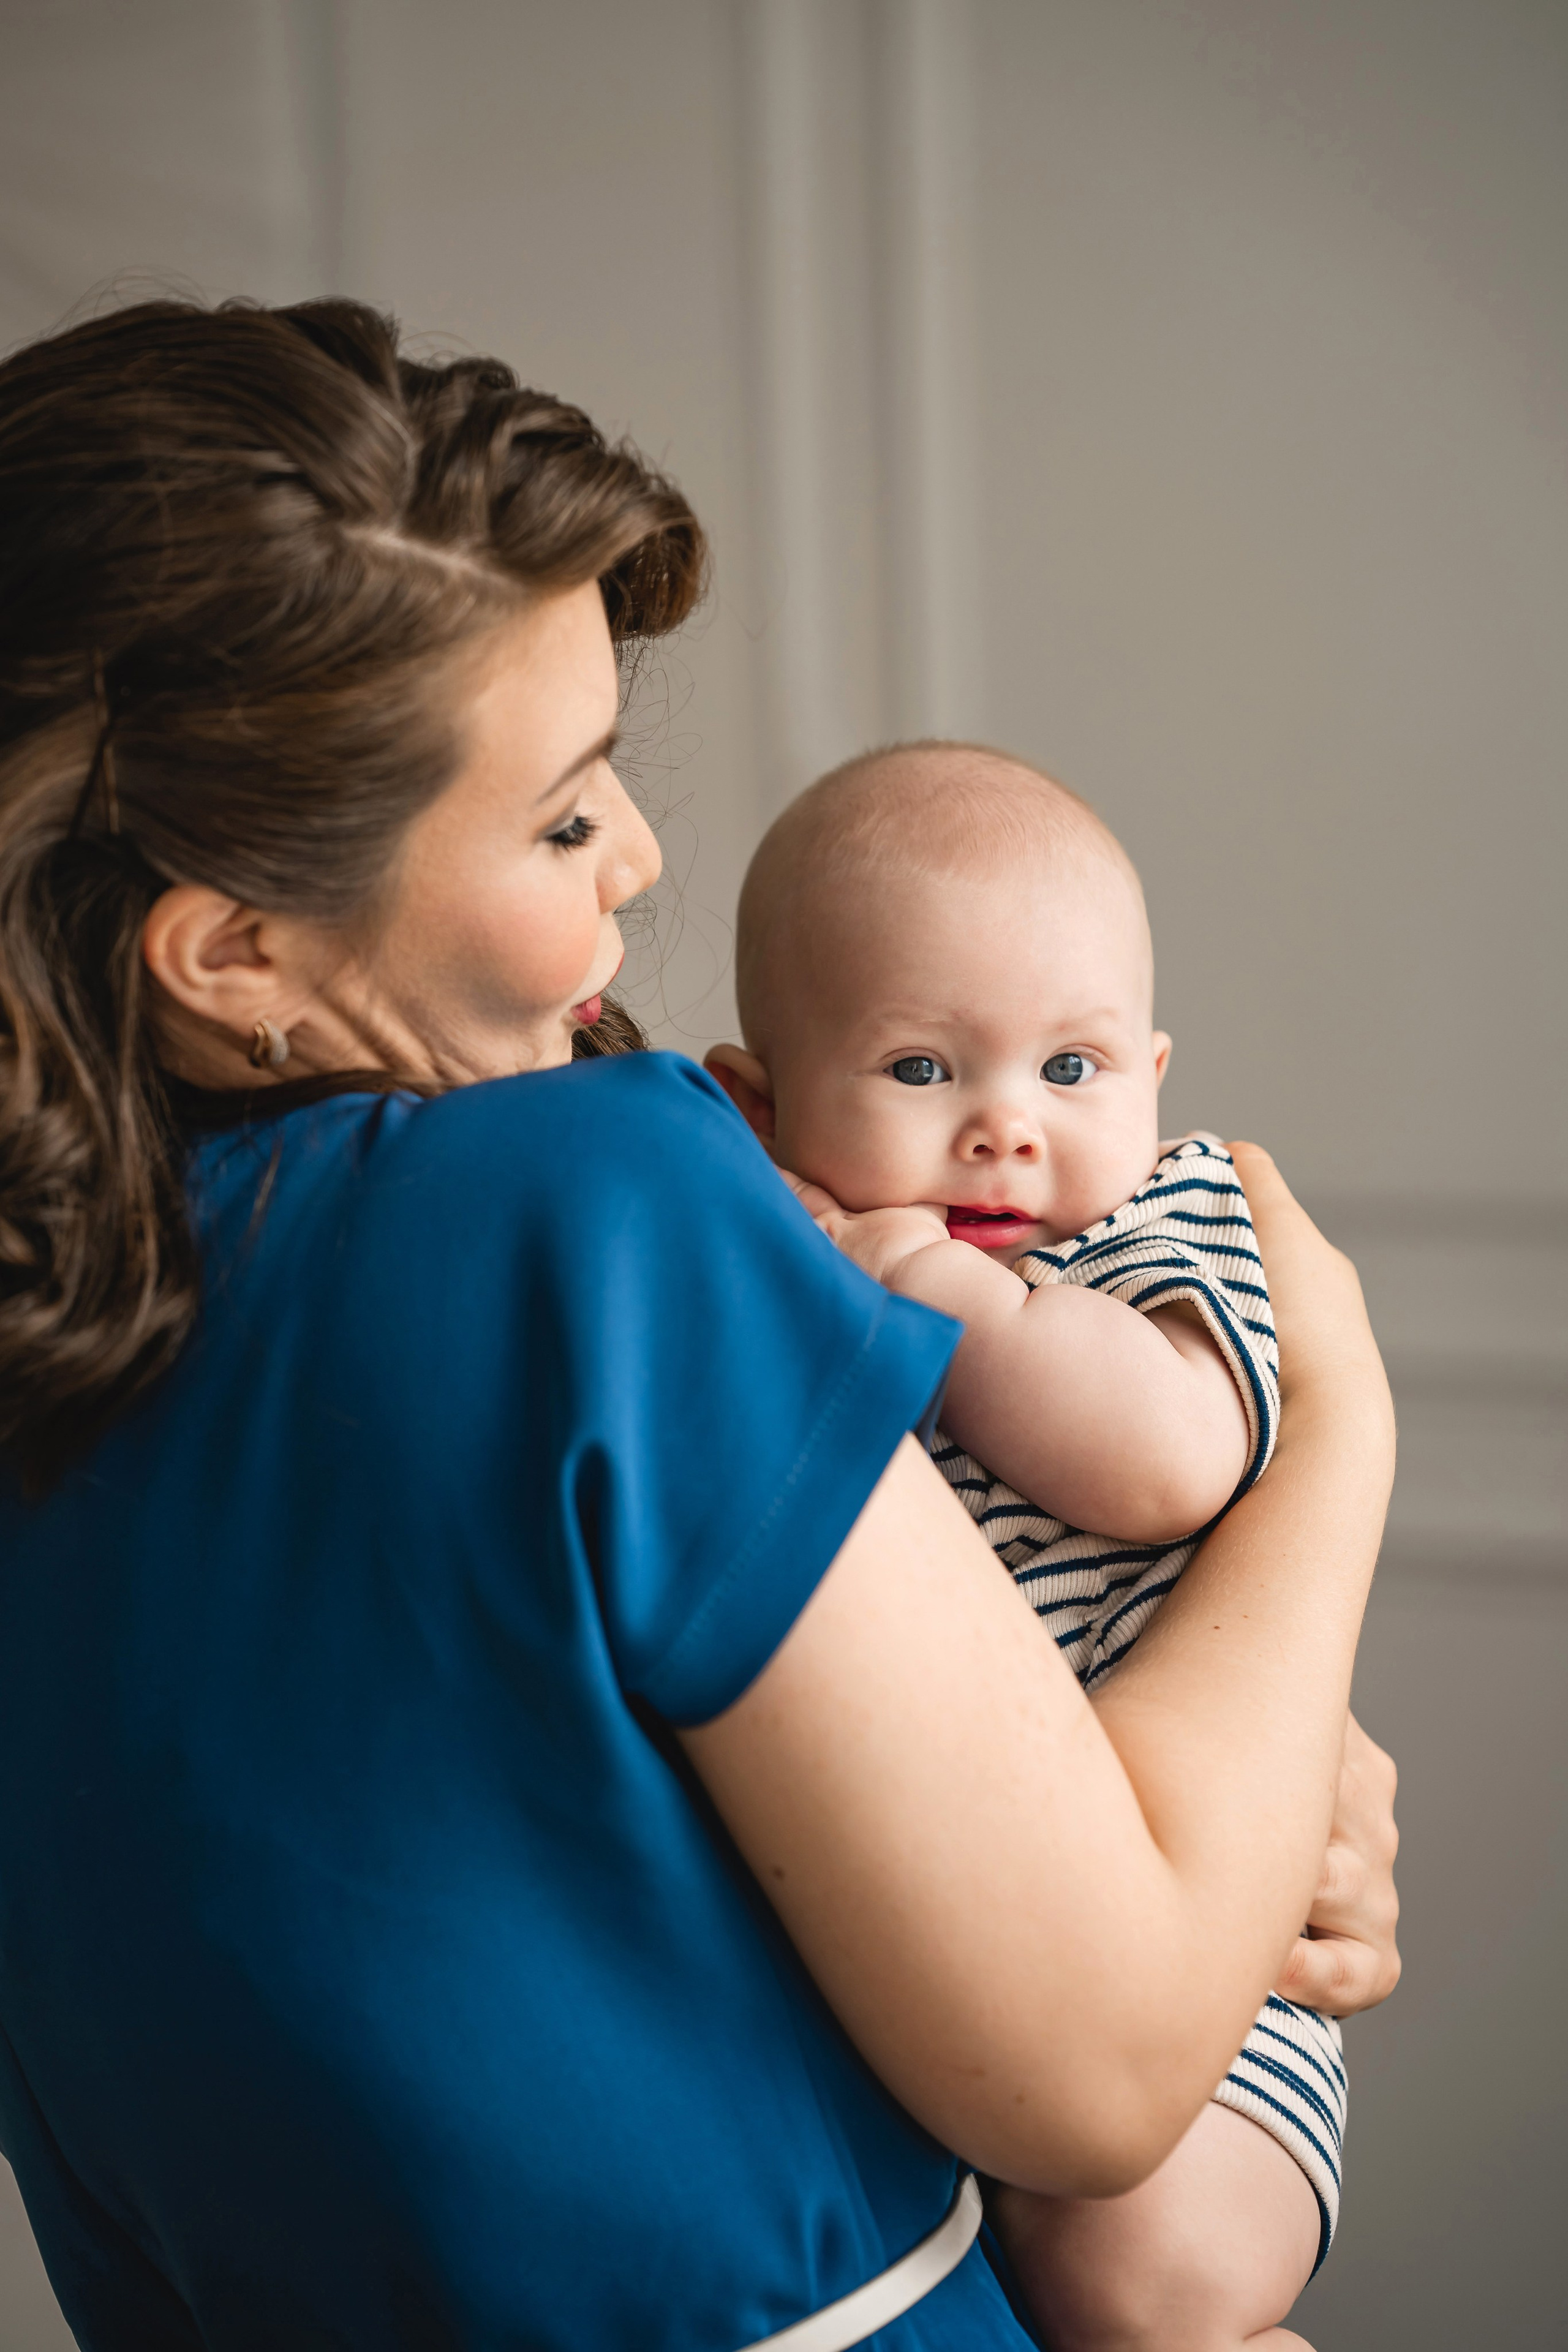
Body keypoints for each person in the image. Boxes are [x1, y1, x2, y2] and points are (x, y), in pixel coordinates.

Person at [0, 297, 1398, 2352]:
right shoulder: (591, 1212)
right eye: (565, 818)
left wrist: (1208, 1777)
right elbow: (1104, 2079)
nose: (644, 857)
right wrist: (1336, 1441)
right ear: (238, 951)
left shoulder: (70, 1361)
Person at [706, 743, 1362, 2349]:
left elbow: (1166, 1460)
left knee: (1142, 2286)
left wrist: (944, 1290)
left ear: (1151, 1075)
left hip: (1213, 1983)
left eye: (1071, 1074)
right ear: (760, 1103)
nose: (1008, 1130)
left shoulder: (1156, 1233)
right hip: (946, 1950)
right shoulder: (776, 1263)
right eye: (924, 1071)